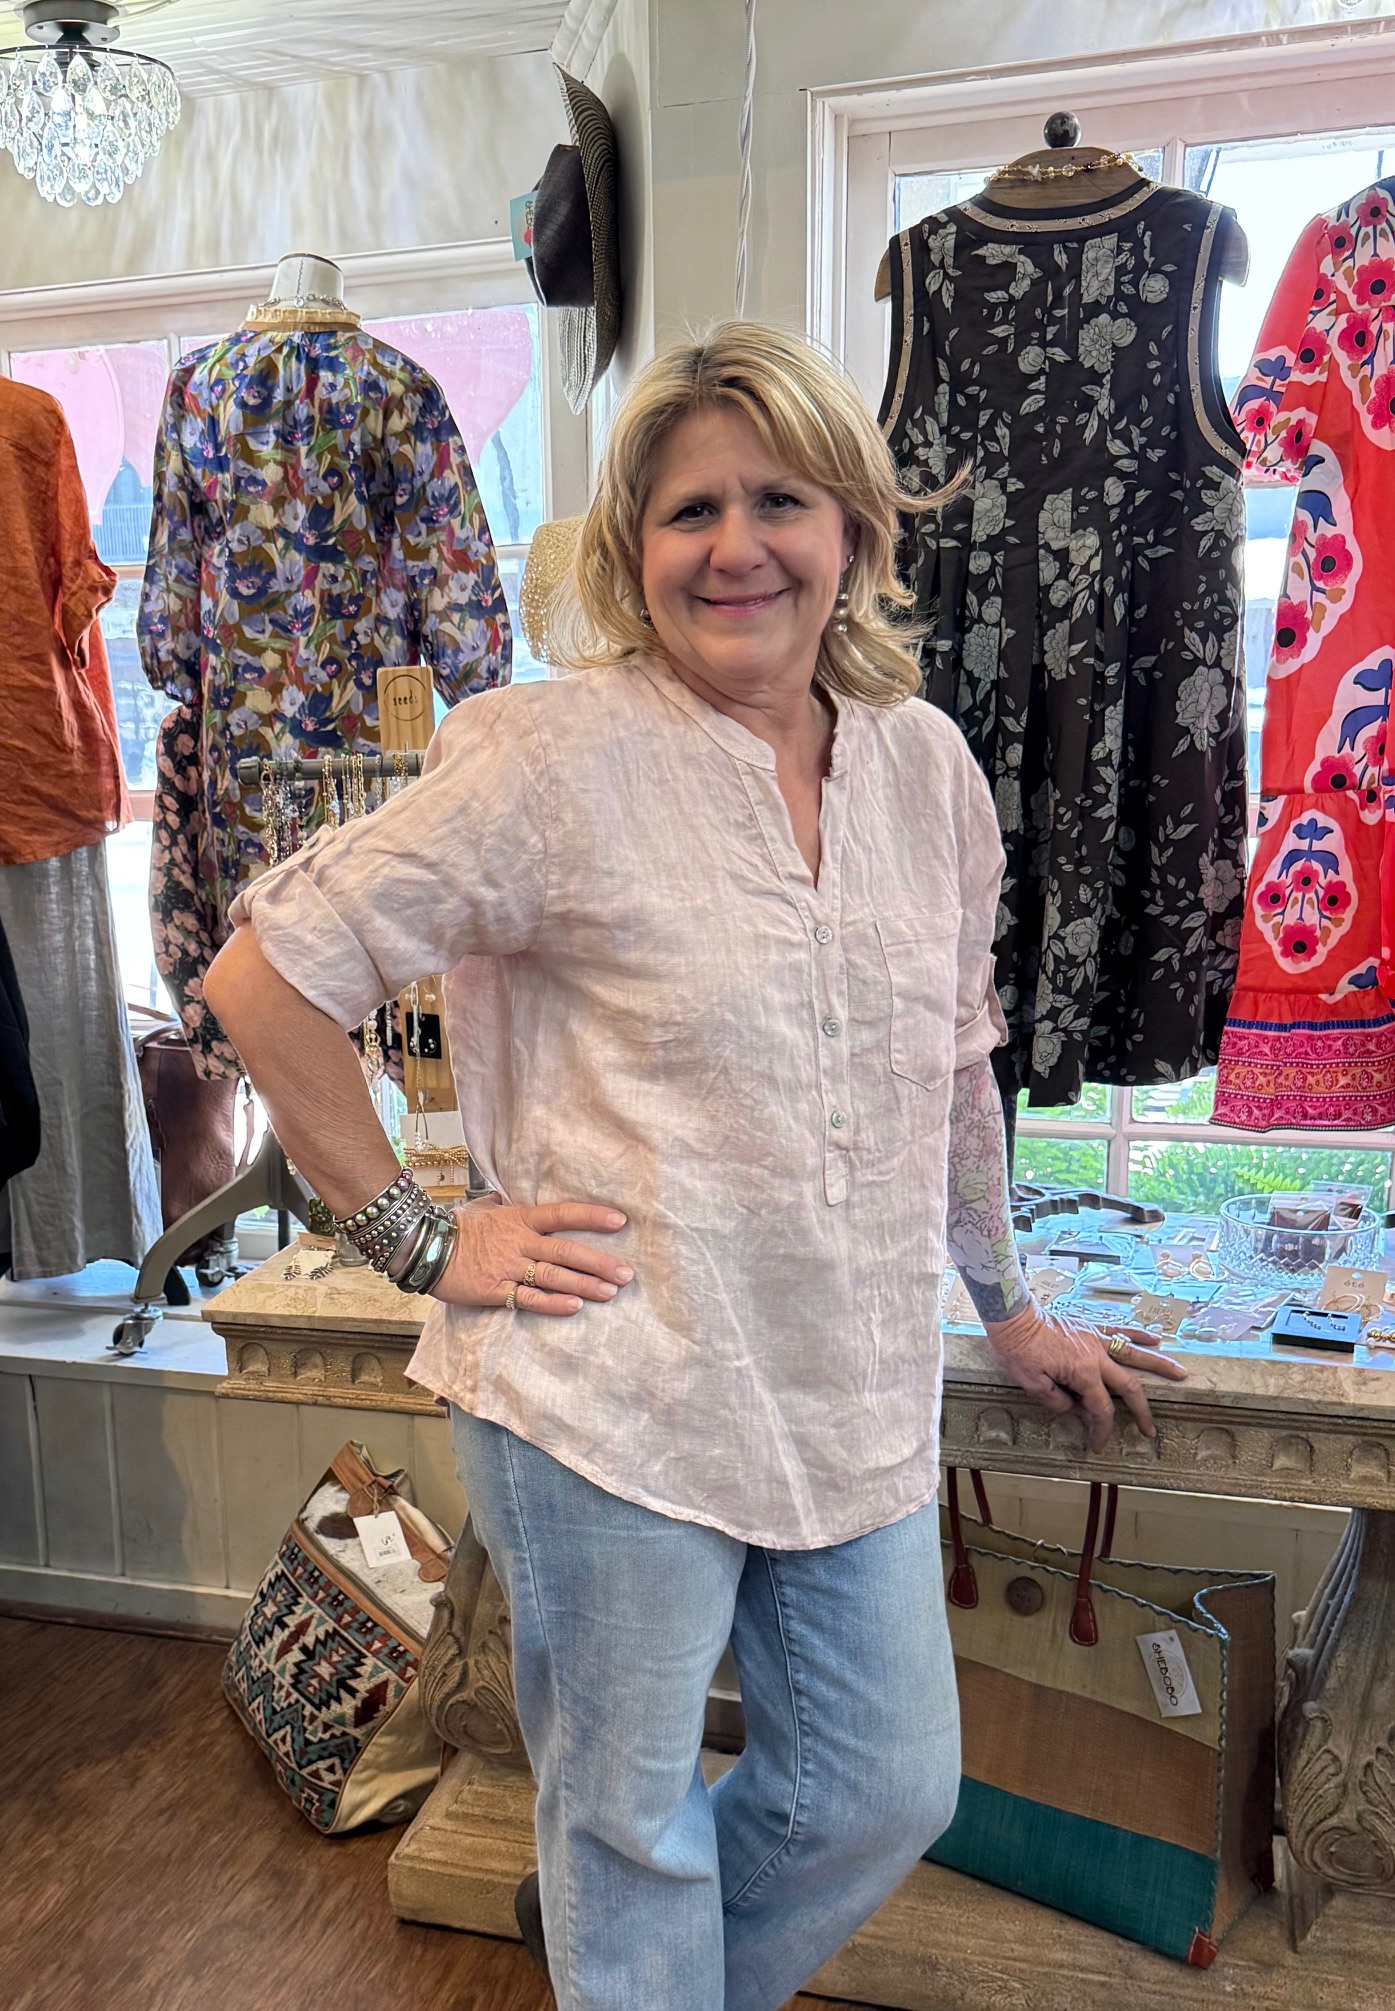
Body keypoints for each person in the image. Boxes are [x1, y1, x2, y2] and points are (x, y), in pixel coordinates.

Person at [205, 322, 1186, 2011]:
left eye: (780, 501)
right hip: (619, 1388)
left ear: (853, 528)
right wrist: (421, 1241)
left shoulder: (928, 769)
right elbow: (264, 979)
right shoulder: (550, 756)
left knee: (881, 1791)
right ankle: (625, 1953)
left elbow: (954, 1066)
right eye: (690, 511)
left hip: (849, 1380)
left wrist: (1006, 1303)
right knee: (631, 1828)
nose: (738, 546)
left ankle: (627, 1966)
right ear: (633, 548)